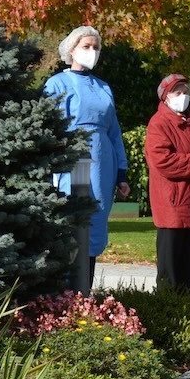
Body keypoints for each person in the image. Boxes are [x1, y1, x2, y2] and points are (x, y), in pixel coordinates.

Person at [44, 25, 128, 293]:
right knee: (76, 220)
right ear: (71, 50)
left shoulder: (103, 87)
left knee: (97, 219)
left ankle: (85, 292)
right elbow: (49, 126)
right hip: (75, 159)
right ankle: (66, 292)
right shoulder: (57, 83)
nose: (92, 52)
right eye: (86, 46)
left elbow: (114, 132)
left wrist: (121, 173)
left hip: (103, 161)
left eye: (96, 47)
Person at [145, 74, 190, 295]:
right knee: (170, 268)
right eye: (178, 92)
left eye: (186, 92)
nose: (183, 96)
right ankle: (168, 308)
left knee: (188, 266)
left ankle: (187, 309)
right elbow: (162, 161)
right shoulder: (159, 123)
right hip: (171, 202)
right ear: (166, 97)